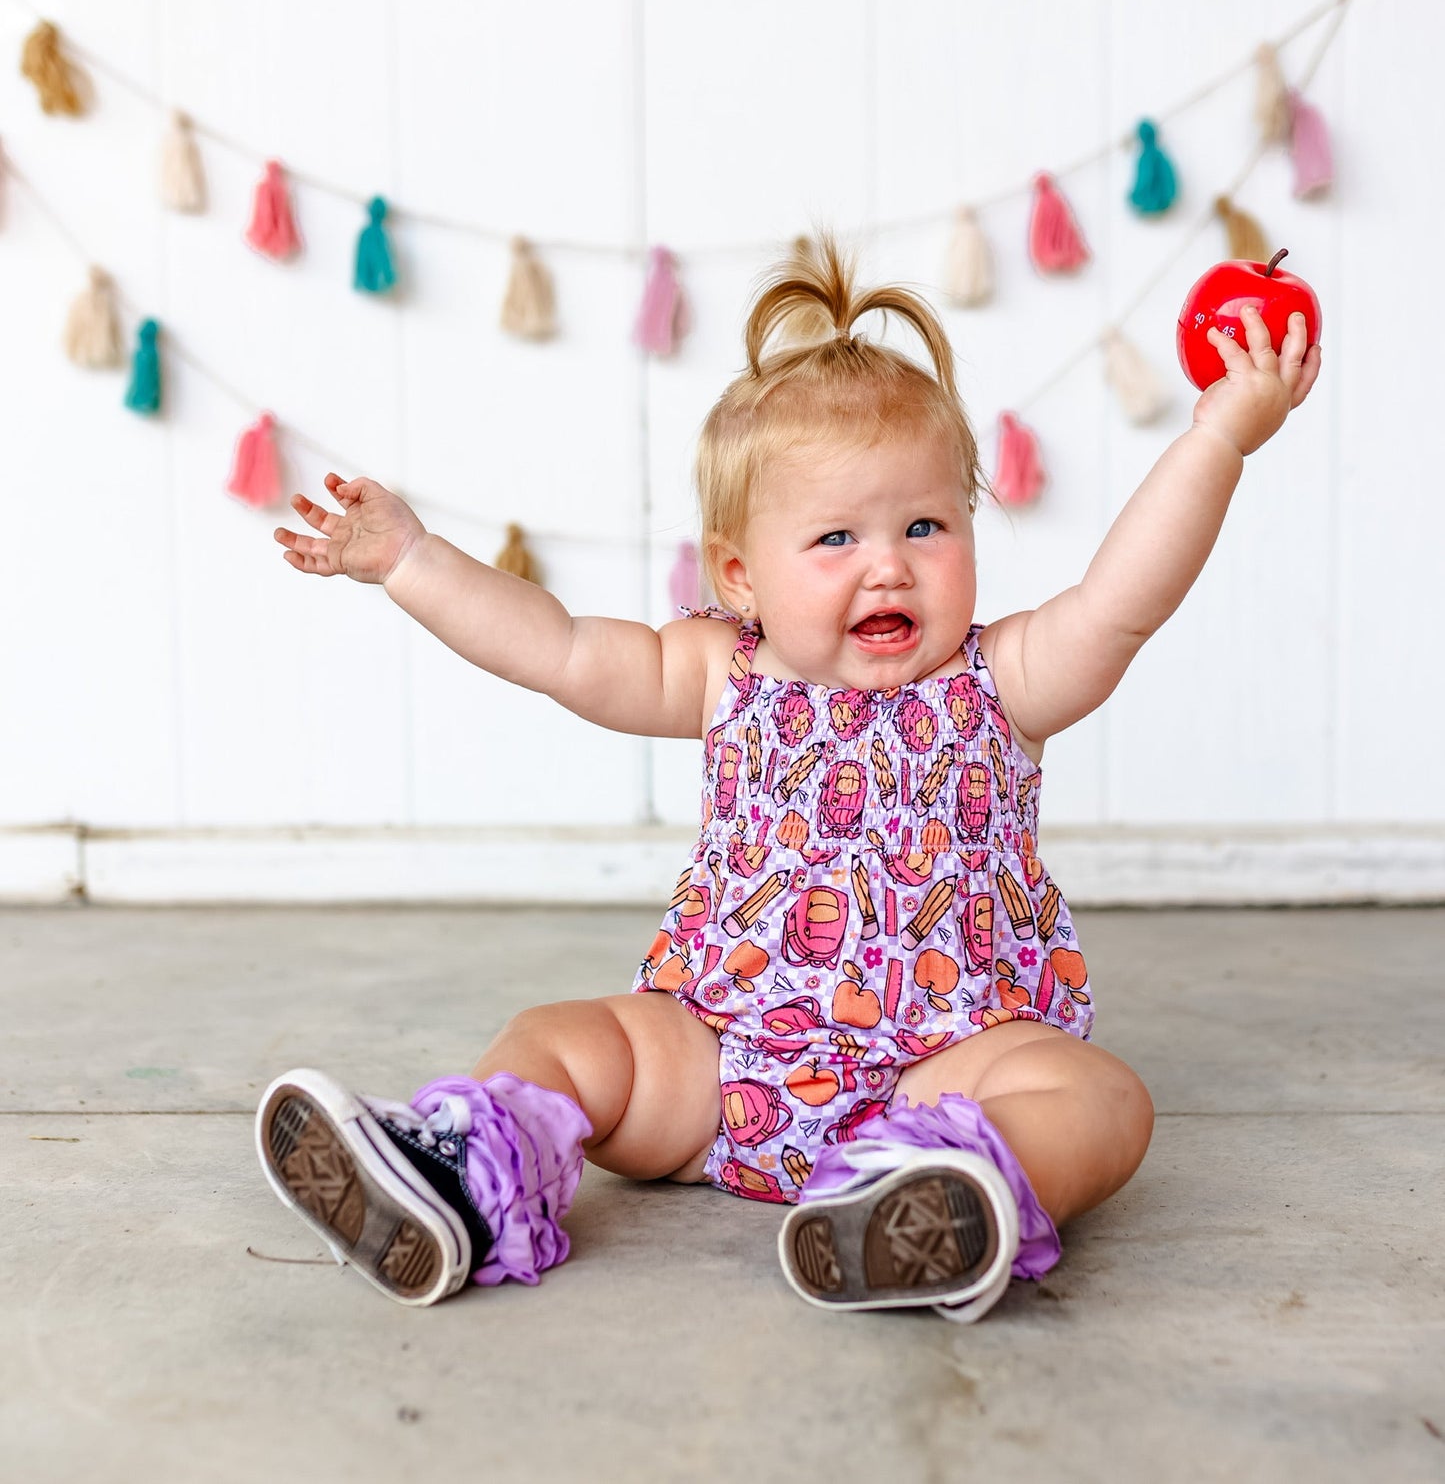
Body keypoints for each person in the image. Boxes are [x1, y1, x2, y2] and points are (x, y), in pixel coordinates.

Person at [256, 235, 1320, 1320]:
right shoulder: (717, 670)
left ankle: (943, 1193)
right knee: (576, 1037)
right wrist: (409, 562)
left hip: (942, 1074)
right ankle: (467, 1170)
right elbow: (556, 647)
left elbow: (1121, 598)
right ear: (738, 575)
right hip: (721, 1065)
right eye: (833, 537)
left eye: (924, 524)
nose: (888, 563)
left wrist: (1219, 435)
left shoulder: (1001, 680)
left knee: (1100, 1101)